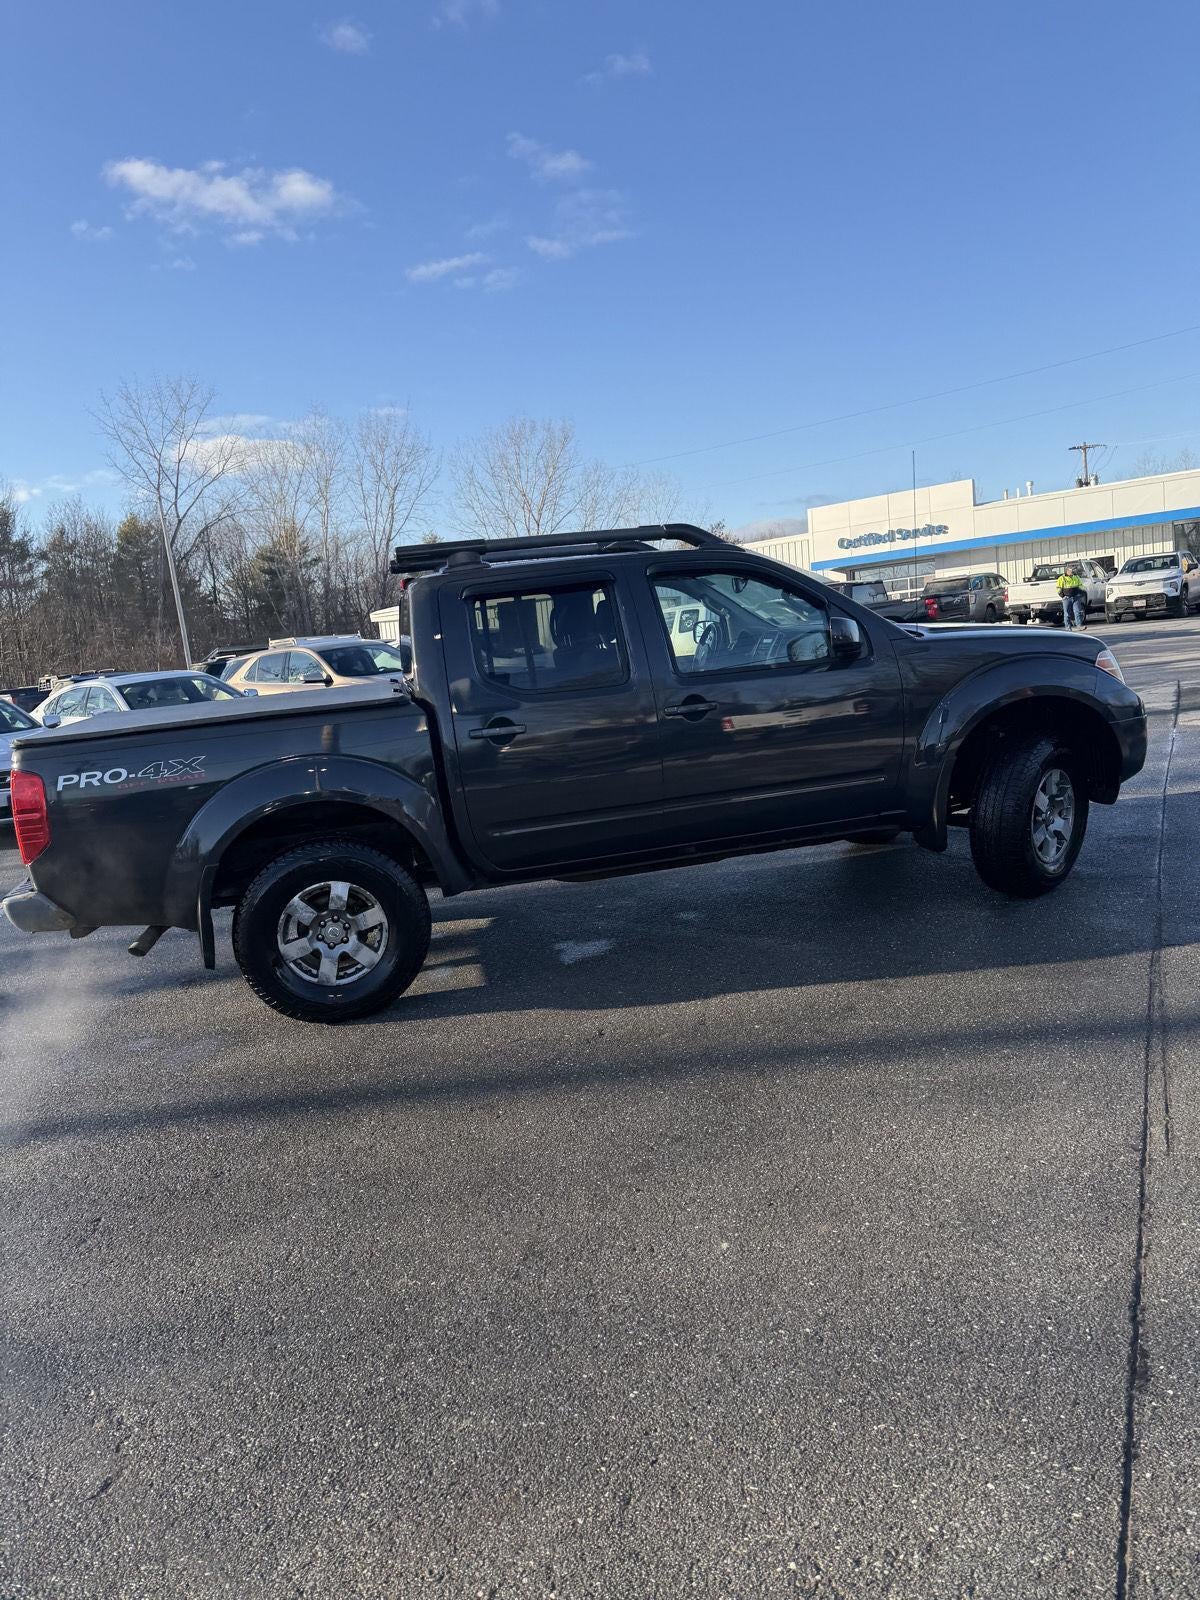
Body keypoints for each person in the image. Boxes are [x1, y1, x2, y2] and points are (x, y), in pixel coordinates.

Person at [1057, 564, 1087, 630]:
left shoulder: (1076, 577)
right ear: (1067, 571)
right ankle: (1068, 628)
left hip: (1076, 597)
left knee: (1078, 611)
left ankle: (1079, 626)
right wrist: (1063, 596)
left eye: (1073, 570)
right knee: (1067, 613)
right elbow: (1058, 589)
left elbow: (1080, 586)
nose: (1073, 571)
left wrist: (1082, 592)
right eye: (1071, 570)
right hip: (1067, 598)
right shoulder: (1062, 578)